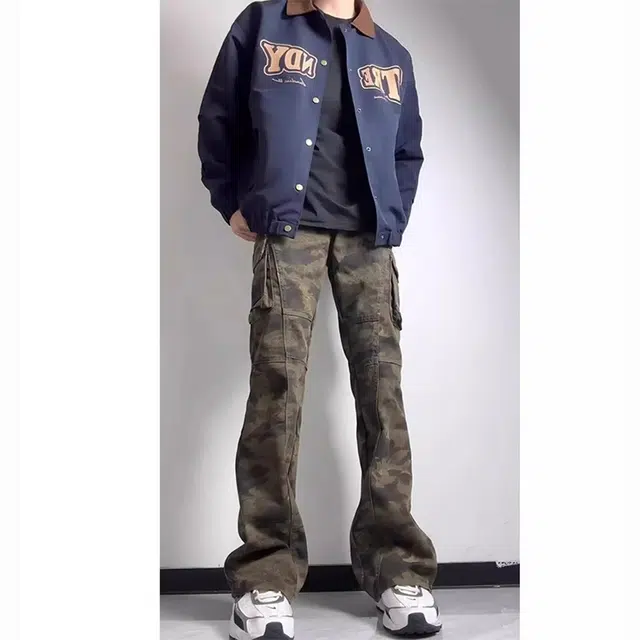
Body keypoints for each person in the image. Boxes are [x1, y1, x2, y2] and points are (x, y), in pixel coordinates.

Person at [198, 1, 441, 638]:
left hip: (368, 242)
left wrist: (392, 217)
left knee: (382, 395)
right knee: (276, 394)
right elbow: (219, 118)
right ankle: (264, 575)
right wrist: (233, 201)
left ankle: (399, 571)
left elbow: (407, 150)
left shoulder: (389, 52)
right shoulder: (262, 26)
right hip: (288, 235)